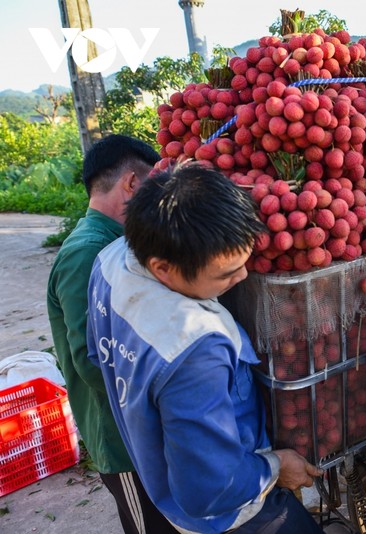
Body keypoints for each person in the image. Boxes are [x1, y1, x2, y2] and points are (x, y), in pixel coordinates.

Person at [85, 163, 324, 533]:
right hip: (235, 515)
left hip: (165, 484)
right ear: (163, 268)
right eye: (226, 274)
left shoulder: (109, 262)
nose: (243, 277)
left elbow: (97, 354)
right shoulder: (194, 346)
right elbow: (211, 488)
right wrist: (276, 467)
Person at [46, 134, 177, 533]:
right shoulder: (86, 253)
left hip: (145, 432)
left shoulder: (122, 242)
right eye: (158, 185)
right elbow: (92, 362)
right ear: (133, 184)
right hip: (124, 445)